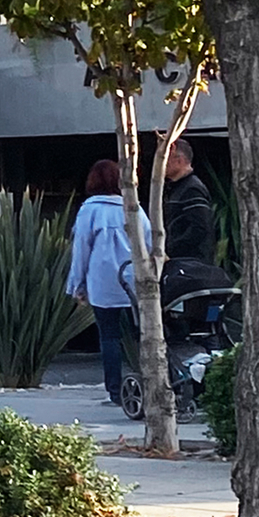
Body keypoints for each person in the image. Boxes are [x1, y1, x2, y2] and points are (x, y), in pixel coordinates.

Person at [66, 158, 146, 404]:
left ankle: (115, 391)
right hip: (134, 279)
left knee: (109, 336)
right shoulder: (134, 207)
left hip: (102, 282)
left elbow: (81, 250)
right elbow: (150, 242)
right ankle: (150, 383)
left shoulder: (90, 210)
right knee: (142, 334)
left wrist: (76, 285)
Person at [161, 136, 217, 266]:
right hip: (182, 260)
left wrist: (171, 249)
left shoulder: (192, 188)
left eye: (166, 160)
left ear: (179, 161)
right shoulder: (176, 188)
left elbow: (200, 227)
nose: (162, 165)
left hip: (190, 263)